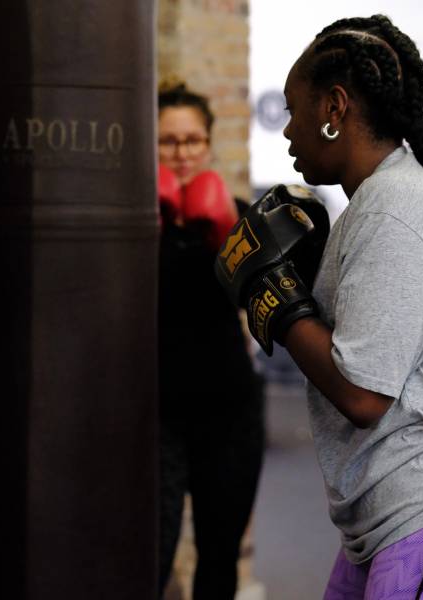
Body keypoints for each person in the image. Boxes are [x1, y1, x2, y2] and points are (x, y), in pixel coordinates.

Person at [215, 15, 423, 599]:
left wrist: (275, 298)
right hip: (406, 517)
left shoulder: (394, 208)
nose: (289, 132)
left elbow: (363, 394)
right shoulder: (378, 200)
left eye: (296, 111)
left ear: (335, 107)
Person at [156, 81, 264, 599]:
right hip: (152, 413)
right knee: (148, 554)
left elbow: (255, 304)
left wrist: (222, 229)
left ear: (208, 143)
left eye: (191, 140)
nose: (181, 153)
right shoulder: (129, 221)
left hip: (227, 410)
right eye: (167, 141)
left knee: (220, 561)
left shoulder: (236, 214)